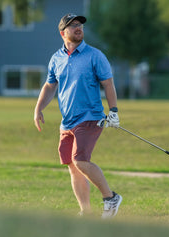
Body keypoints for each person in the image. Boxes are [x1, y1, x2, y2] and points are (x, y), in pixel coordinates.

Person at [34, 13, 122, 218]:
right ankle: (86, 211)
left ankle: (111, 198)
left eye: (80, 25)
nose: (78, 28)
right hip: (67, 122)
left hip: (90, 117)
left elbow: (108, 84)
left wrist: (114, 111)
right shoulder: (56, 58)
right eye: (73, 25)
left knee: (80, 160)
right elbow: (50, 85)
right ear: (62, 33)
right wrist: (38, 108)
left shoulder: (95, 55)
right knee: (73, 167)